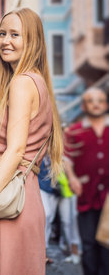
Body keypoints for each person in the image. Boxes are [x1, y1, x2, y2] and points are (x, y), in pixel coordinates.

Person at [0, 7, 63, 275]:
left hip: (6, 201)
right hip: (21, 197)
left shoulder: (22, 83)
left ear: (32, 41)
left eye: (15, 35)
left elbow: (16, 149)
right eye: (1, 33)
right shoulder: (36, 82)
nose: (5, 41)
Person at [64, 87, 109, 275]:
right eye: (91, 100)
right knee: (89, 244)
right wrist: (72, 178)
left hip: (108, 198)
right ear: (83, 105)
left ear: (106, 104)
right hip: (86, 195)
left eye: (100, 100)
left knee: (107, 245)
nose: (96, 103)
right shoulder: (74, 132)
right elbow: (66, 158)